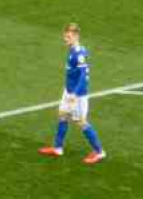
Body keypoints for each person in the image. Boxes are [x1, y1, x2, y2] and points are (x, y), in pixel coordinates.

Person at [38, 23, 106, 164]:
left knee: (80, 122)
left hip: (78, 94)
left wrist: (74, 94)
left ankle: (99, 152)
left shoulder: (79, 53)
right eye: (65, 36)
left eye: (68, 36)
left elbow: (83, 76)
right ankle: (58, 148)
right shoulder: (72, 50)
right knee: (62, 114)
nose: (65, 39)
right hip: (68, 90)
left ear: (76, 36)